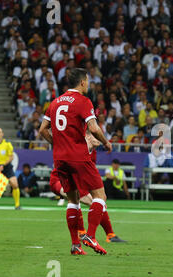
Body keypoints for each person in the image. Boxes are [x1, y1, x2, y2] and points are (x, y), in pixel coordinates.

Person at [39, 68, 113, 255]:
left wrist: (57, 144)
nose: (88, 84)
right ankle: (90, 235)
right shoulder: (83, 101)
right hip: (78, 156)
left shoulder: (55, 102)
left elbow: (42, 130)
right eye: (87, 81)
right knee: (100, 196)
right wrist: (106, 142)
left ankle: (75, 245)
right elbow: (94, 128)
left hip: (60, 158)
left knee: (73, 201)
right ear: (82, 82)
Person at [49, 132, 126, 243]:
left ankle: (86, 233)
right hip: (60, 180)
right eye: (95, 136)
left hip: (75, 181)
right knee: (94, 202)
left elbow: (87, 173)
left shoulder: (92, 152)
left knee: (94, 202)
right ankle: (106, 235)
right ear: (87, 137)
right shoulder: (78, 148)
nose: (98, 139)